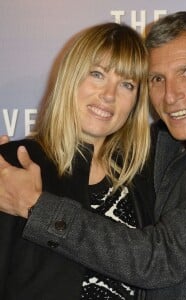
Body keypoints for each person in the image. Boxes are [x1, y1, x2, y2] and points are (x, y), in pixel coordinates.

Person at [0, 11, 186, 300]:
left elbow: (160, 260)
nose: (171, 95)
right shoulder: (14, 169)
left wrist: (35, 205)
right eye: (157, 79)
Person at [0, 22, 152, 299]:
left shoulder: (139, 181)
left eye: (127, 84)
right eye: (97, 74)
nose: (108, 95)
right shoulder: (13, 165)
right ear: (71, 77)